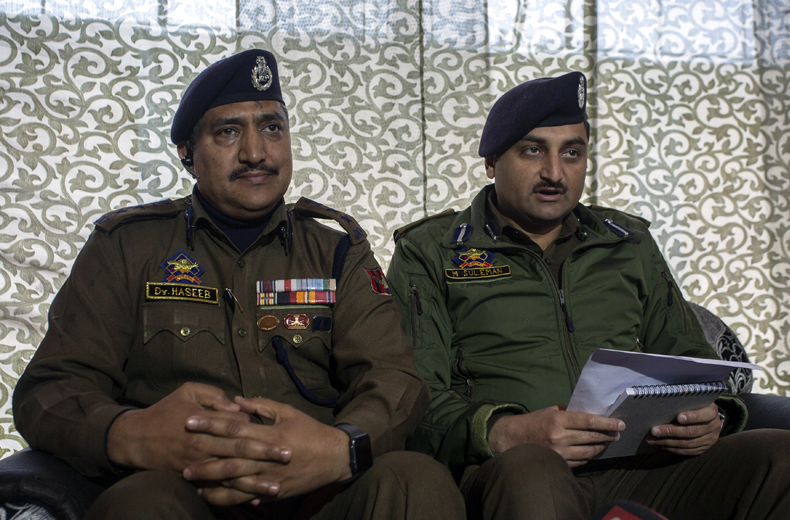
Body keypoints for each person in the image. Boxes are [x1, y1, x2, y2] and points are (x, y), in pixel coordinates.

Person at [13, 49, 466, 520]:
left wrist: (339, 447)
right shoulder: (126, 247)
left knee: (414, 478)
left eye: (272, 127)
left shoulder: (337, 250)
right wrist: (130, 432)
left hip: (313, 493)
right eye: (228, 131)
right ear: (187, 153)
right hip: (181, 492)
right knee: (144, 504)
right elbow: (50, 388)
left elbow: (393, 378)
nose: (256, 152)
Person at [387, 71, 790, 520]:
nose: (554, 173)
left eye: (572, 153)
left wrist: (715, 414)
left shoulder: (628, 243)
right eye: (532, 150)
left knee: (784, 456)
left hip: (642, 466)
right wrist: (501, 430)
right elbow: (412, 394)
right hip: (509, 469)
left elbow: (690, 358)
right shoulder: (432, 250)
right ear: (490, 162)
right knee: (534, 468)